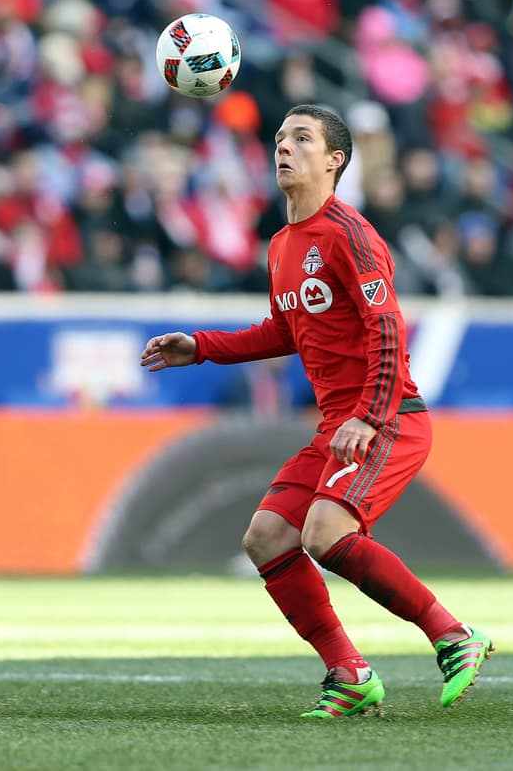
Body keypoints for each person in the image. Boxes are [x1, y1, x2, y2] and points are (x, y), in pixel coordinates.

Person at [140, 104, 492, 719]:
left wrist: (369, 415)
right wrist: (200, 347)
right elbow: (283, 330)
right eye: (279, 138)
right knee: (267, 536)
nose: (284, 147)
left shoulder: (349, 233)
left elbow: (388, 328)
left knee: (326, 533)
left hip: (388, 416)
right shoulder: (281, 244)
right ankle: (349, 674)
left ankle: (453, 636)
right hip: (337, 426)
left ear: (335, 160)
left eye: (301, 138)